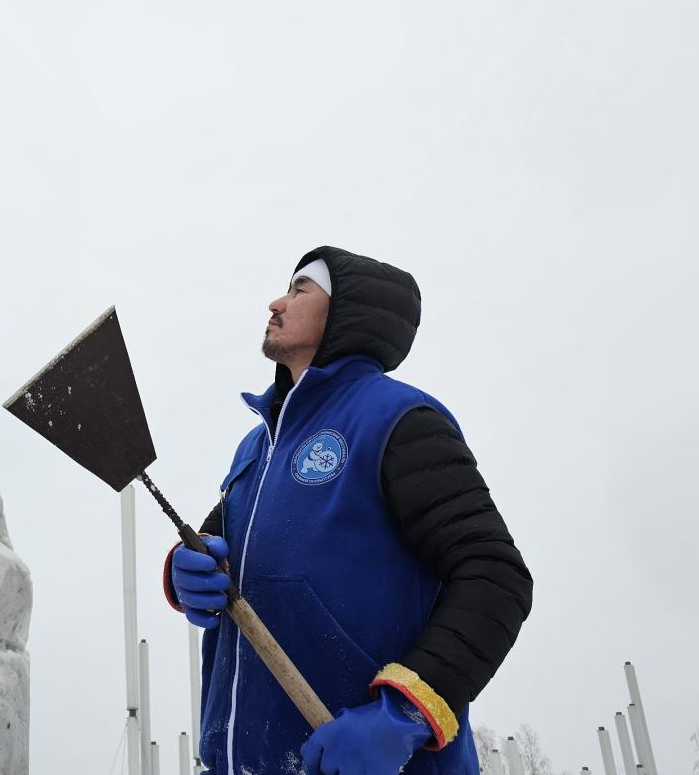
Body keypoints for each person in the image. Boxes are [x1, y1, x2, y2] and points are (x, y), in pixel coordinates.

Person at [163, 247, 533, 775]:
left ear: (346, 312)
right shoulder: (256, 447)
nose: (276, 302)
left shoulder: (397, 419)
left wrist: (404, 715)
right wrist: (186, 572)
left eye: (298, 290)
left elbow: (494, 575)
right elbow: (217, 545)